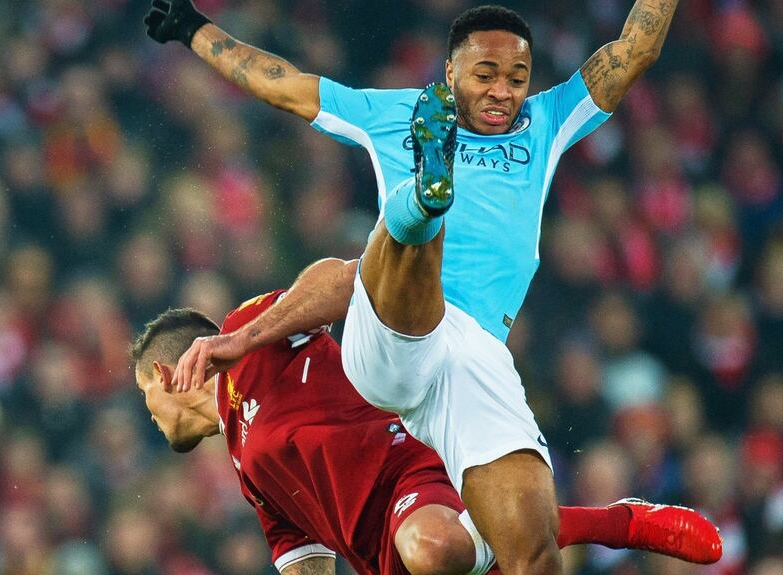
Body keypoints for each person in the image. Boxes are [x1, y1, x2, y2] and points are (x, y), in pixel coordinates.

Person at [146, 2, 683, 573]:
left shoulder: (549, 122)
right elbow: (281, 85)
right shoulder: (393, 113)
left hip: (473, 361)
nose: (503, 91)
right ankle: (424, 199)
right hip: (388, 339)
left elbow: (636, 50)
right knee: (397, 246)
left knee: (533, 556)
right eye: (485, 75)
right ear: (449, 74)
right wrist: (193, 29)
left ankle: (612, 520)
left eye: (517, 79)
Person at [130, 290, 722, 575]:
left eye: (143, 395)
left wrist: (235, 341)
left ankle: (618, 521)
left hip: (410, 468)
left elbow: (340, 279)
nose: (147, 415)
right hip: (383, 563)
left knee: (434, 548)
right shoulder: (245, 470)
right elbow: (296, 552)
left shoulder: (244, 335)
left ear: (164, 374)